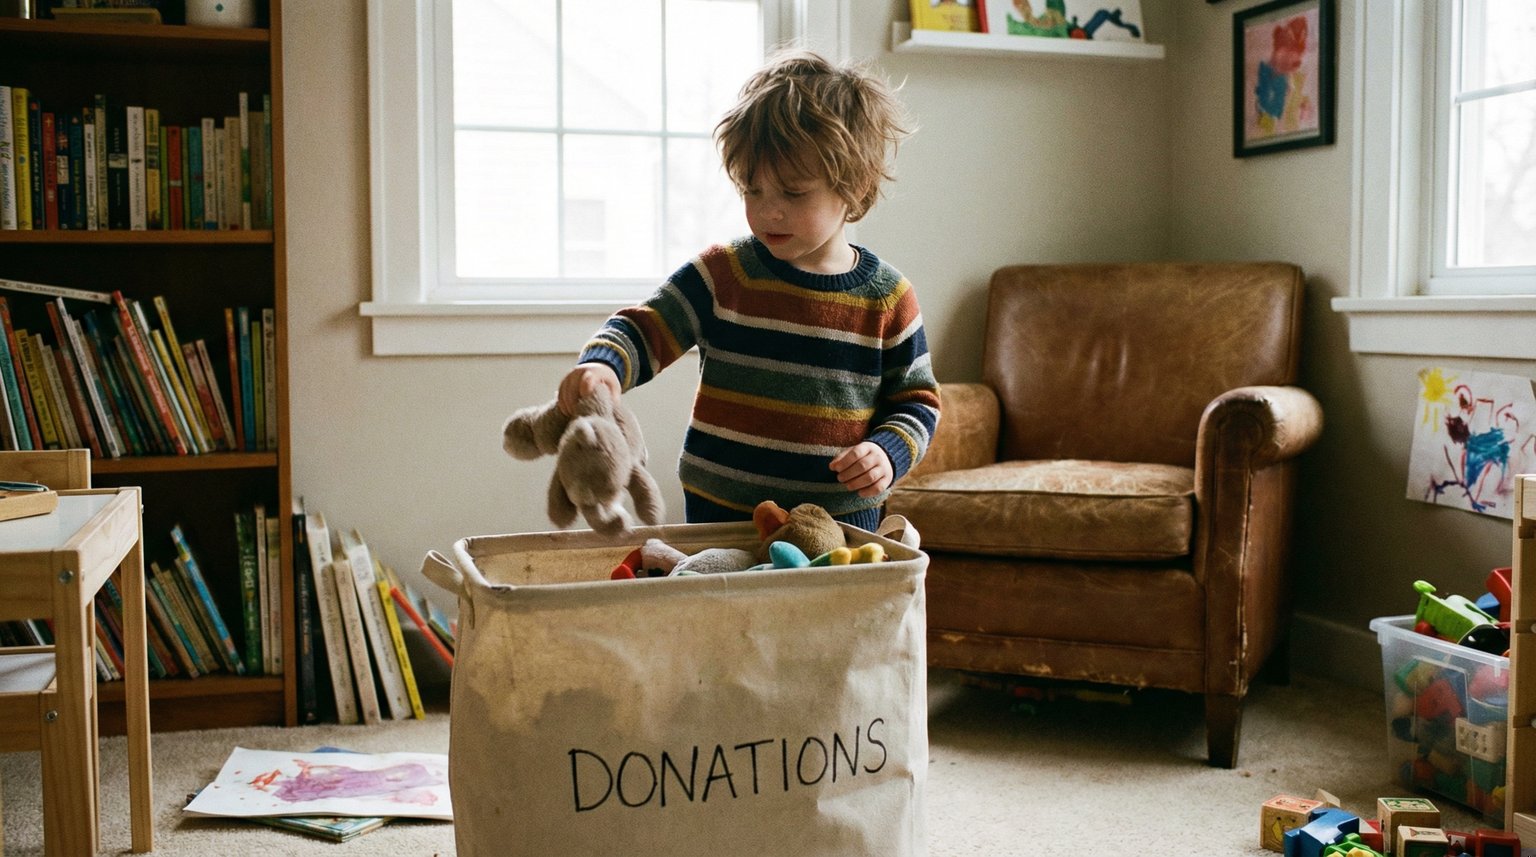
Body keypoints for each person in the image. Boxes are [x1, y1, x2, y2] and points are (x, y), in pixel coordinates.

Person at [557, 49, 940, 532]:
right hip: (720, 511)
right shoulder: (725, 273)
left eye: (793, 193)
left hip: (837, 523)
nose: (768, 211)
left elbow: (917, 403)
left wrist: (887, 452)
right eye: (752, 191)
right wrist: (604, 365)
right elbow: (646, 326)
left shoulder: (887, 299)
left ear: (855, 186)